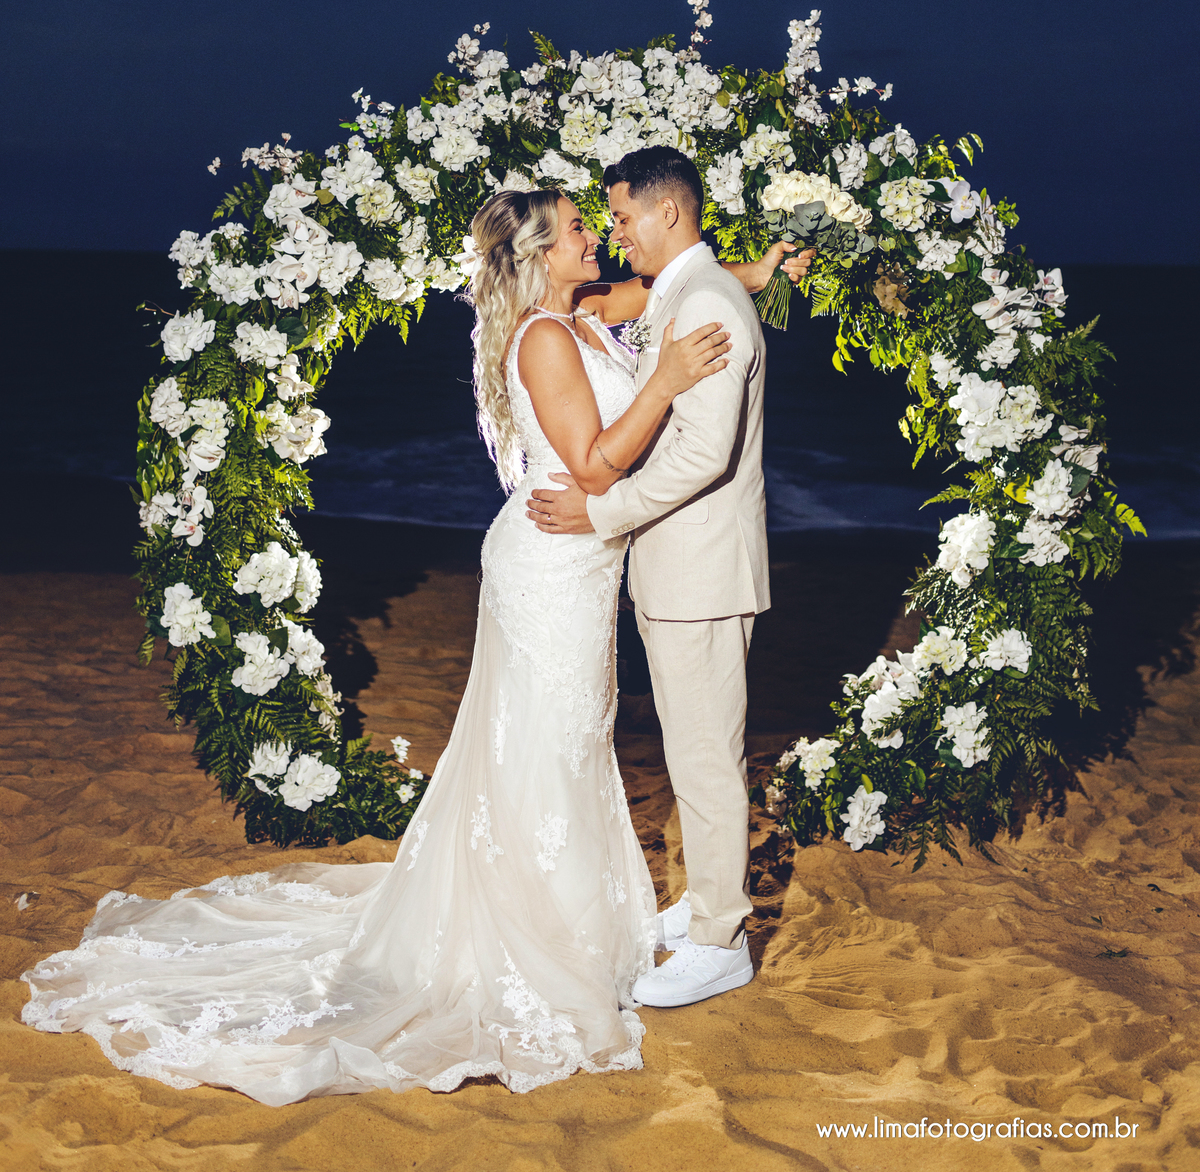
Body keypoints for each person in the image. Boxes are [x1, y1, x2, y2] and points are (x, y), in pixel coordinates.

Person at [21, 187, 801, 1101]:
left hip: (587, 567)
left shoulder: (586, 311)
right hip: (552, 560)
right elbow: (592, 468)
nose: (598, 235)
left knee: (570, 741)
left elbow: (665, 295)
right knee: (544, 742)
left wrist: (756, 272)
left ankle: (576, 914)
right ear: (544, 253)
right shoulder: (546, 340)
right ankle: (541, 933)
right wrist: (664, 381)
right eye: (582, 230)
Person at [527, 146, 794, 1010]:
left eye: (623, 217)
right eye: (602, 222)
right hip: (680, 567)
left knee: (709, 757)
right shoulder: (688, 292)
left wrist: (604, 516)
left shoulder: (705, 301)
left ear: (669, 214)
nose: (615, 233)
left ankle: (722, 940)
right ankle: (705, 905)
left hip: (704, 569)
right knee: (692, 747)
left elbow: (702, 454)